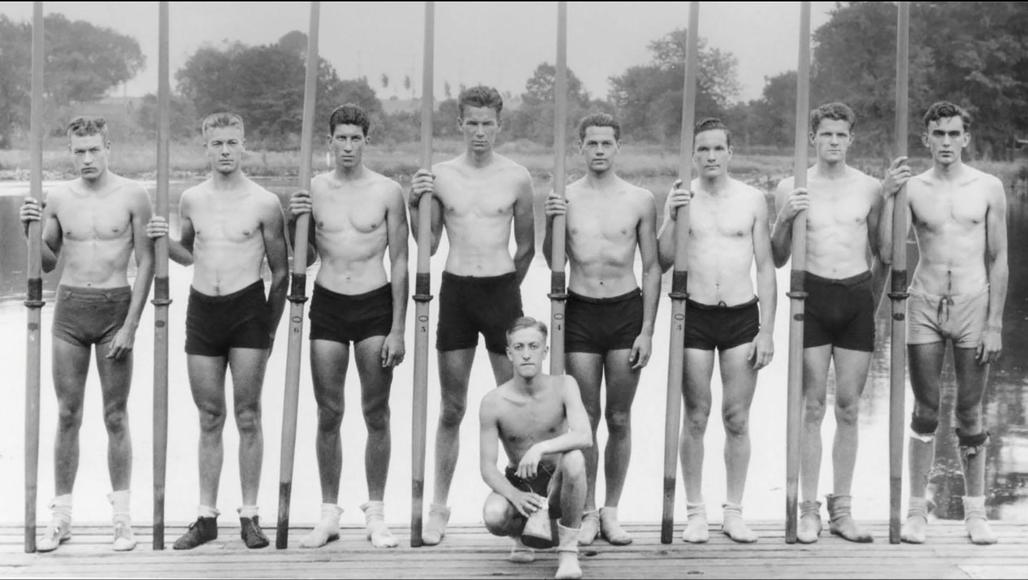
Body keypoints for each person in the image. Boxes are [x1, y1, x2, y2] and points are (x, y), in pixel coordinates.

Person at [147, 112, 289, 550]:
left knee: (248, 415)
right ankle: (206, 517)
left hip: (249, 311)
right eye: (217, 143)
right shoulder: (191, 199)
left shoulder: (265, 202)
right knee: (210, 416)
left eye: (232, 142)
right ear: (205, 146)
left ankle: (250, 516)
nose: (225, 151)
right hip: (203, 311)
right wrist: (160, 239)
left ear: (243, 144)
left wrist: (269, 327)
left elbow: (281, 272)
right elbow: (188, 255)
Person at [19, 116, 154, 553]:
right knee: (67, 415)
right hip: (71, 310)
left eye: (94, 149)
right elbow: (45, 263)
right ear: (70, 152)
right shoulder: (59, 198)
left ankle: (121, 519)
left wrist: (132, 324)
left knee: (116, 416)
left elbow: (148, 262)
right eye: (79, 151)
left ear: (108, 146)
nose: (87, 158)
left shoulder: (133, 195)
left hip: (116, 306)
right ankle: (60, 518)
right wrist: (30, 230)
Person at [408, 85, 536, 545]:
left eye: (488, 124)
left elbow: (527, 248)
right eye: (472, 123)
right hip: (457, 291)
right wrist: (412, 203)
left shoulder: (517, 177)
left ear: (499, 125)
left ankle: (524, 507)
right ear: (459, 124)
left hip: (501, 291)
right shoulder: (440, 176)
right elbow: (429, 244)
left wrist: (506, 292)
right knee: (453, 406)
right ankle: (439, 508)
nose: (480, 132)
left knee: (515, 407)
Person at [880, 101, 1007, 545]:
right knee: (926, 407)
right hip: (926, 302)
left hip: (974, 301)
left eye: (954, 134)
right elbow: (888, 251)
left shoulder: (989, 187)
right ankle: (918, 510)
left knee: (970, 410)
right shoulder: (913, 188)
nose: (947, 142)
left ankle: (976, 512)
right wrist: (888, 194)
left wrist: (994, 323)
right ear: (926, 139)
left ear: (966, 138)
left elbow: (999, 257)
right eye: (939, 134)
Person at [287, 104, 408, 548]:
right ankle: (328, 513)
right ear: (330, 140)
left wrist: (398, 328)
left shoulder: (388, 191)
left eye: (356, 138)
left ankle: (376, 514)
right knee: (329, 412)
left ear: (366, 140)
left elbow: (400, 259)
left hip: (375, 304)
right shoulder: (313, 189)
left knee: (376, 411)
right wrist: (291, 220)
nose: (349, 146)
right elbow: (304, 256)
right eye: (341, 138)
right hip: (329, 303)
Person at [542, 113, 660, 546]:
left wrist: (647, 329)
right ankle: (587, 510)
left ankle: (612, 511)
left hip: (626, 311)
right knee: (585, 418)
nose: (598, 151)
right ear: (580, 147)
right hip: (581, 311)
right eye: (591, 143)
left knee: (620, 416)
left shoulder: (640, 199)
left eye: (606, 144)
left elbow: (651, 267)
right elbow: (549, 257)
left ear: (618, 147)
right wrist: (553, 220)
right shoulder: (565, 196)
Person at [657, 118, 776, 544]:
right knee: (696, 415)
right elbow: (664, 258)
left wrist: (768, 329)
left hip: (742, 316)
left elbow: (765, 266)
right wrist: (672, 216)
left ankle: (734, 511)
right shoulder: (682, 197)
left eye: (717, 149)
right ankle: (694, 511)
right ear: (692, 154)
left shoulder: (752, 199)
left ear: (730, 151)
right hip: (695, 315)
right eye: (702, 150)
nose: (710, 157)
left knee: (737, 418)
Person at [770, 103, 883, 543]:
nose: (833, 141)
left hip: (855, 296)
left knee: (849, 408)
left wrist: (868, 302)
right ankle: (809, 510)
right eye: (826, 134)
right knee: (812, 407)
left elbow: (884, 253)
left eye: (841, 134)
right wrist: (785, 216)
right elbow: (779, 256)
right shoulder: (790, 187)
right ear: (812, 138)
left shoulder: (870, 187)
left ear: (850, 139)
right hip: (810, 296)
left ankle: (843, 510)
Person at [480, 317, 591, 579]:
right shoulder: (493, 402)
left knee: (575, 458)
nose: (526, 354)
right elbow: (486, 467)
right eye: (518, 347)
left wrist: (541, 448)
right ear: (509, 353)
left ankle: (568, 552)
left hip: (557, 485)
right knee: (494, 515)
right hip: (521, 486)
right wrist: (514, 496)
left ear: (545, 350)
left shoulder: (565, 385)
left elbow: (584, 436)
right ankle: (520, 536)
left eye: (533, 346)